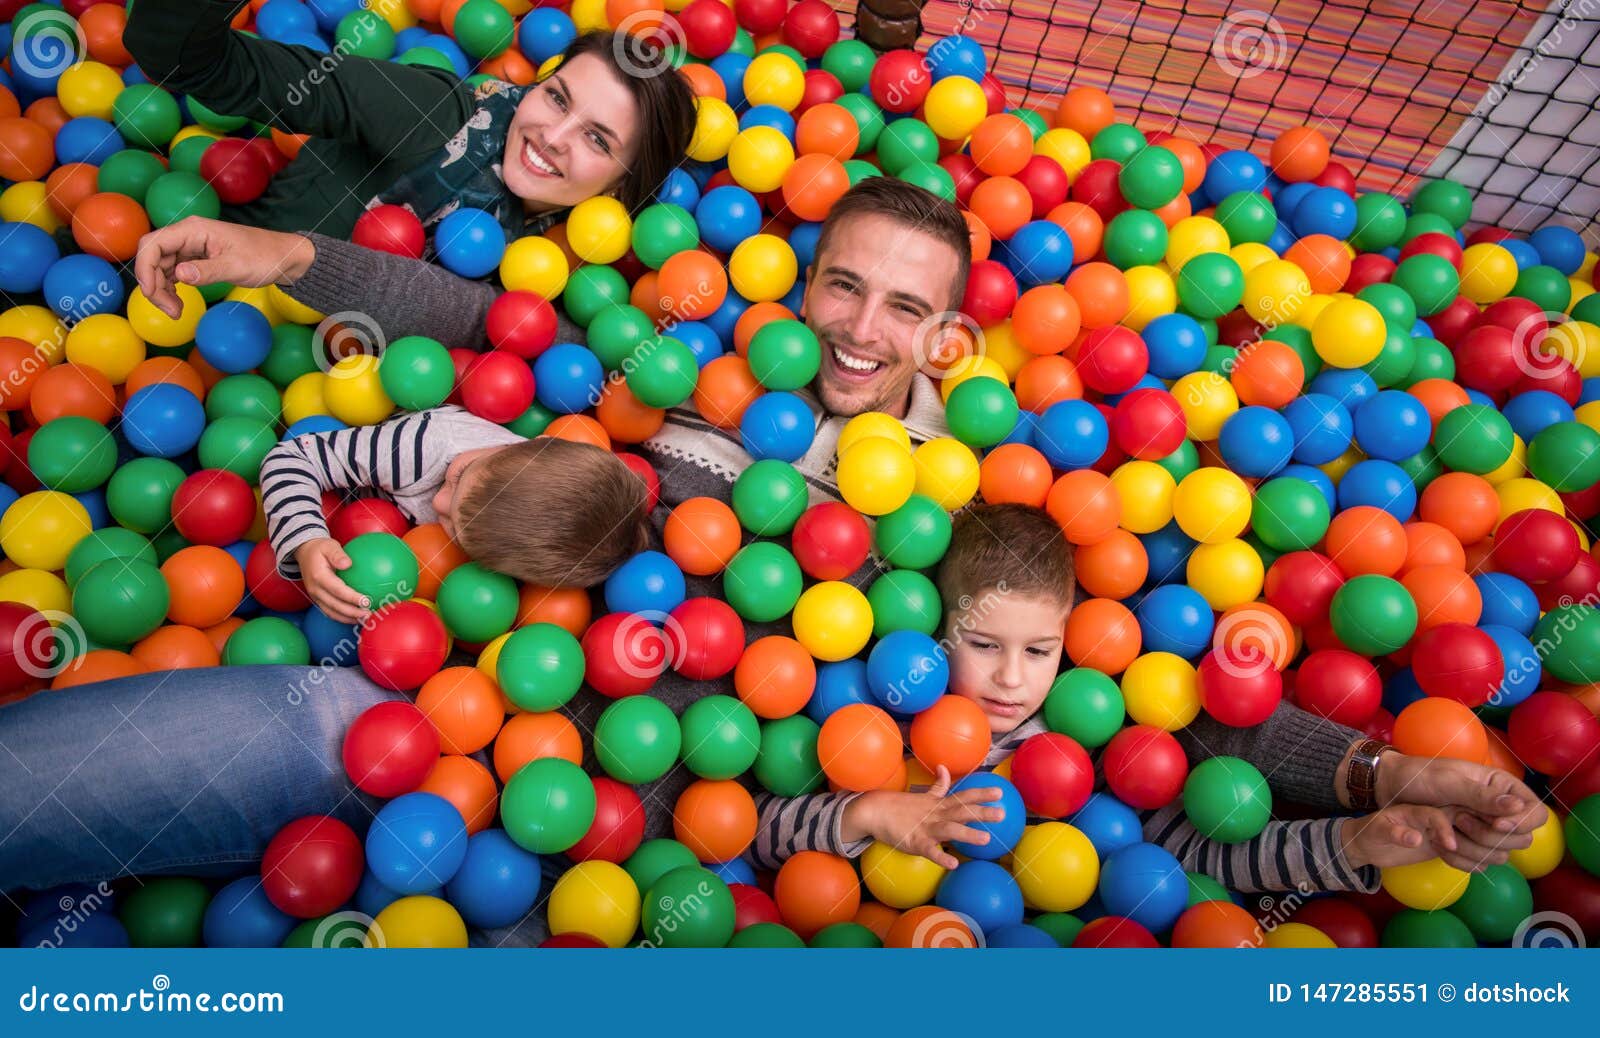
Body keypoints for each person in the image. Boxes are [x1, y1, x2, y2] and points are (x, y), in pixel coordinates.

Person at [0, 181, 1541, 917]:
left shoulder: (972, 489)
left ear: (951, 332)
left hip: (666, 839)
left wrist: (1378, 773)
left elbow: (1157, 699)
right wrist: (289, 258)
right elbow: (501, 330)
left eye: (903, 307)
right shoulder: (707, 381)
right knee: (267, 736)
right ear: (804, 285)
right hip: (441, 700)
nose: (863, 330)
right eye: (842, 289)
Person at [748, 504, 1545, 894]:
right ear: (936, 631)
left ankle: (1396, 772)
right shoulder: (880, 726)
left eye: (1040, 651)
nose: (1012, 680)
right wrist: (876, 812)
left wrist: (1355, 848)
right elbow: (762, 830)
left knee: (1215, 735)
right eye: (983, 646)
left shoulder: (1096, 746)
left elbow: (1200, 859)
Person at [123, 0, 695, 325]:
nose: (553, 136)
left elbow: (504, 334)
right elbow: (196, 66)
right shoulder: (437, 114)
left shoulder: (587, 271)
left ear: (626, 187)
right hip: (193, 307)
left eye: (598, 140)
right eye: (557, 98)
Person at [258, 407, 651, 623]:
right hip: (367, 474)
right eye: (461, 476)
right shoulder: (424, 448)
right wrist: (306, 540)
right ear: (538, 441)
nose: (440, 506)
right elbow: (292, 457)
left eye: (458, 532)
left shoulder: (515, 528)